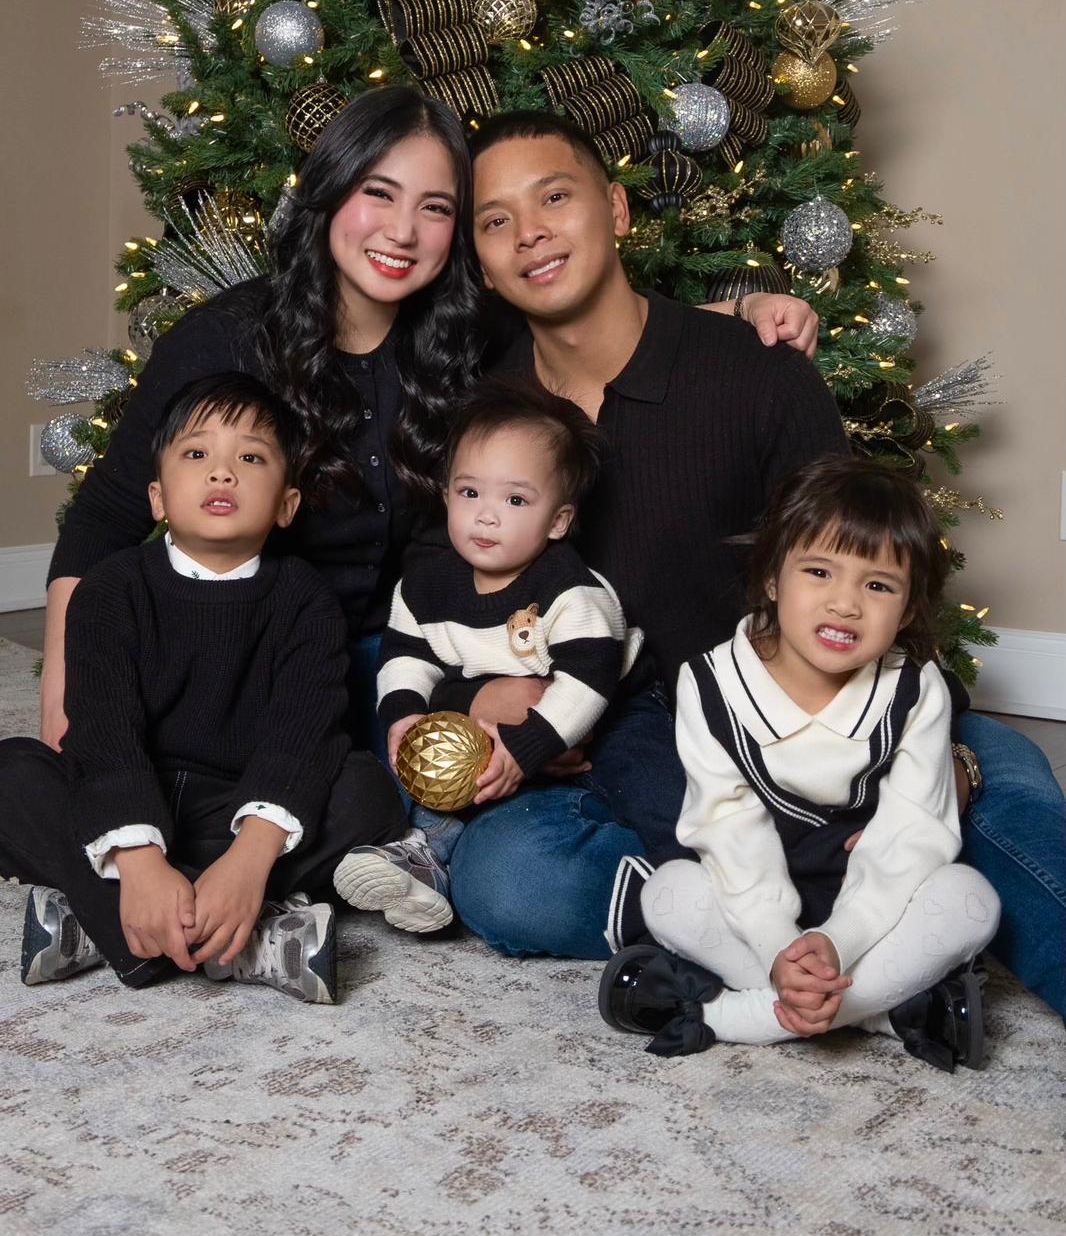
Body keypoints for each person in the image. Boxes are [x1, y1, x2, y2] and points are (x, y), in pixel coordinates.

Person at [40, 86, 810, 911]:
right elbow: (106, 518)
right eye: (379, 193)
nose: (402, 232)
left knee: (425, 805)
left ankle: (715, 872)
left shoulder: (465, 334)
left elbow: (588, 323)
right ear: (330, 190)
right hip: (255, 652)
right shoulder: (226, 339)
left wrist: (740, 312)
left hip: (409, 652)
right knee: (223, 800)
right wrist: (63, 693)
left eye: (436, 208)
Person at [439, 110, 1065, 1024]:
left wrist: (931, 748)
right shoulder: (492, 411)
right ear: (482, 260)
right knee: (508, 880)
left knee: (997, 791)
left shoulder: (754, 371)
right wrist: (488, 694)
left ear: (616, 209)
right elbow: (454, 588)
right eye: (496, 220)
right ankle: (848, 947)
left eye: (555, 198)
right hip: (637, 747)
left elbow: (858, 564)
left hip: (818, 707)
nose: (529, 232)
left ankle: (803, 928)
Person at [0, 372, 435, 1003]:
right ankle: (233, 936)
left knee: (366, 790)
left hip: (238, 805)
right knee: (13, 774)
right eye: (197, 453)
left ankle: (111, 918)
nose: (222, 473)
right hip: (130, 787)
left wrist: (249, 862)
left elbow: (301, 735)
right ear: (157, 498)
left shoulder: (305, 600)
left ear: (286, 505)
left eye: (250, 459)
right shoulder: (110, 590)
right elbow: (104, 733)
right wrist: (140, 862)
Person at [599, 456, 1001, 1071]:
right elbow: (728, 831)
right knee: (668, 893)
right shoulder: (710, 683)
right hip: (754, 907)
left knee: (970, 900)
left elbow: (913, 835)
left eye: (878, 586)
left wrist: (838, 940)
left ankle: (730, 1017)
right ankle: (886, 1012)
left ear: (907, 611)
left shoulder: (916, 689)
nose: (845, 604)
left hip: (873, 909)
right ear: (771, 578)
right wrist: (779, 949)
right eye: (819, 572)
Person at [347, 378, 641, 901]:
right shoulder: (424, 586)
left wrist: (525, 750)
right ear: (446, 495)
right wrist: (404, 715)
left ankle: (684, 865)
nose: (486, 514)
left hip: (609, 714)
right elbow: (406, 656)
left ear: (558, 521)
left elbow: (587, 683)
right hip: (494, 723)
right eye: (469, 492)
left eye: (515, 499)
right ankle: (425, 854)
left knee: (651, 787)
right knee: (404, 772)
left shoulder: (570, 591)